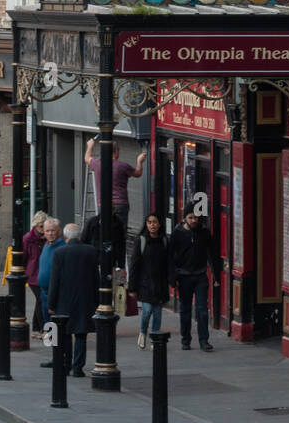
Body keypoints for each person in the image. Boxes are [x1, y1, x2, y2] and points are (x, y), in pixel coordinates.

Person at [47, 223, 99, 378]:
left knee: (65, 334)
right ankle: (78, 367)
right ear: (79, 235)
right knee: (81, 333)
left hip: (64, 299)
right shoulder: (91, 251)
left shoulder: (59, 252)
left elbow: (54, 280)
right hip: (85, 299)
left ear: (65, 236)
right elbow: (96, 278)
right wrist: (97, 301)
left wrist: (51, 303)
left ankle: (66, 363)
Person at [168, 202, 220, 352]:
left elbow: (212, 254)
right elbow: (170, 256)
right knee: (185, 310)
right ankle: (186, 339)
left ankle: (204, 340)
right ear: (185, 218)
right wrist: (172, 277)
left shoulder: (204, 233)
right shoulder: (177, 233)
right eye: (190, 217)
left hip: (200, 276)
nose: (194, 220)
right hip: (183, 276)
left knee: (202, 309)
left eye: (196, 217)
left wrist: (216, 276)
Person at [129, 213, 170, 349]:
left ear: (159, 225)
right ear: (146, 224)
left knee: (157, 313)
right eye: (149, 222)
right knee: (146, 311)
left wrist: (171, 280)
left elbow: (168, 263)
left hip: (160, 283)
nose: (152, 225)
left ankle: (155, 338)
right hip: (145, 283)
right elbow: (134, 265)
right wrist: (132, 287)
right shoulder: (141, 241)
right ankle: (142, 332)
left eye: (155, 222)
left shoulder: (164, 241)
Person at [84, 137, 146, 223]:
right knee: (120, 231)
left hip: (103, 204)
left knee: (104, 229)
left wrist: (90, 146)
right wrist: (139, 161)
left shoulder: (97, 163)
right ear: (116, 151)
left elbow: (87, 158)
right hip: (120, 204)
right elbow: (138, 173)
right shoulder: (123, 166)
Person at [36, 218, 66, 366]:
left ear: (59, 231)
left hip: (56, 295)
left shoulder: (62, 247)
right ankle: (54, 356)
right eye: (47, 231)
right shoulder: (46, 246)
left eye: (53, 230)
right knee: (49, 326)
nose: (50, 233)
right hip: (44, 292)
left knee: (56, 326)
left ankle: (60, 357)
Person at [22, 211, 48, 338]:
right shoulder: (28, 238)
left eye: (44, 226)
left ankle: (36, 329)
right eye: (41, 227)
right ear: (35, 226)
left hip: (44, 273)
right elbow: (24, 257)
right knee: (41, 299)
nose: (43, 230)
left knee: (40, 300)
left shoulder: (47, 238)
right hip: (33, 274)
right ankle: (43, 328)